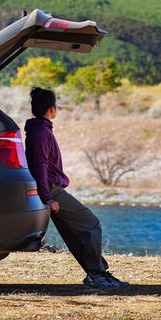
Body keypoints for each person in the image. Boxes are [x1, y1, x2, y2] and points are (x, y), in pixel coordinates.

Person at [24, 86, 128, 290]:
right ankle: (97, 274)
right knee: (91, 224)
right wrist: (47, 197)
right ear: (52, 109)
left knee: (75, 233)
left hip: (49, 189)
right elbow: (40, 166)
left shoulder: (37, 130)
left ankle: (97, 273)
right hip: (51, 190)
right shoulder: (42, 133)